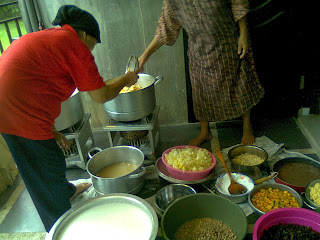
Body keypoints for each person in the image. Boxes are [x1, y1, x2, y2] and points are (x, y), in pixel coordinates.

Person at [0, 5, 139, 232]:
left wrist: (52, 131)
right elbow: (101, 95)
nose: (91, 51)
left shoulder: (55, 38)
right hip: (15, 112)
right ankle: (60, 227)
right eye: (94, 44)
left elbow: (32, 84)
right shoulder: (74, 45)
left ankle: (66, 192)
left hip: (12, 106)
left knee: (49, 161)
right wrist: (127, 78)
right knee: (44, 174)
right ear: (84, 34)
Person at [139, 0, 264, 146]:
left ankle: (246, 128)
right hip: (199, 50)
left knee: (240, 82)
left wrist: (243, 33)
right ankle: (205, 132)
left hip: (228, 41)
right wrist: (145, 55)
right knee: (200, 92)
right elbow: (164, 30)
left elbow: (238, 3)